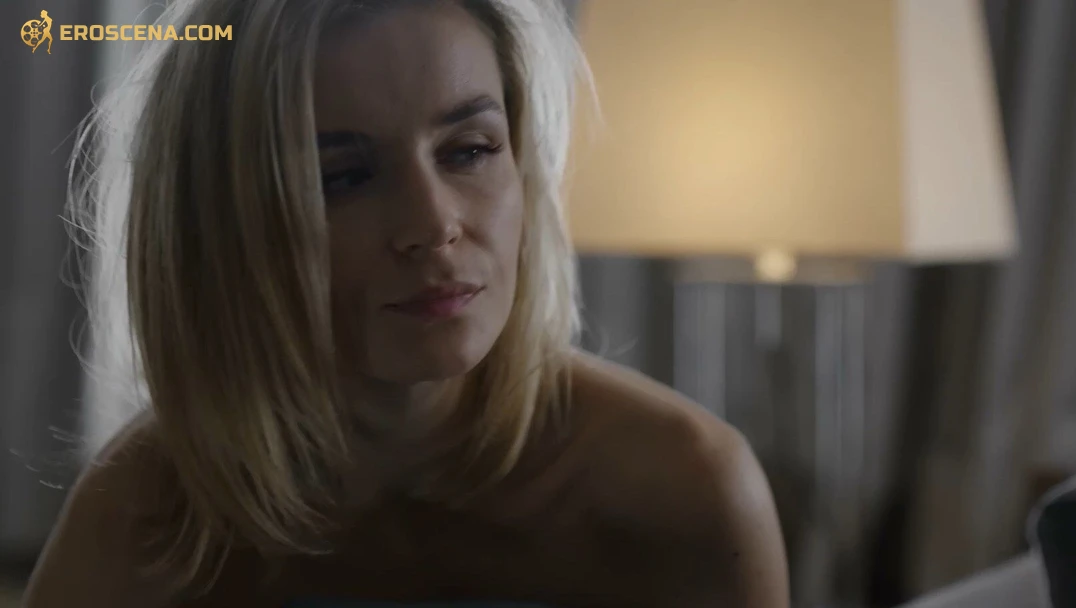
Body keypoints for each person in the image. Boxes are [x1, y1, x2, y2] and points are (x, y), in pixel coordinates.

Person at [22, 0, 789, 607]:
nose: (432, 224)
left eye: (469, 150)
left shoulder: (682, 492)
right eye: (343, 178)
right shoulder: (147, 519)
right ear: (225, 225)